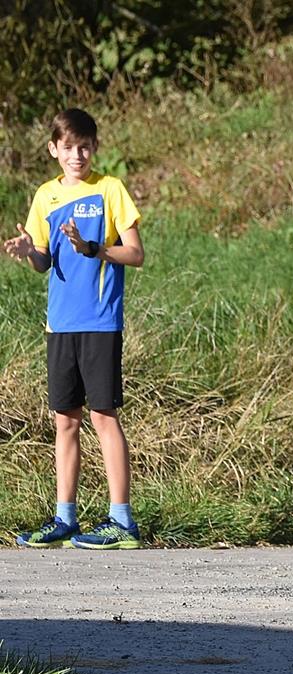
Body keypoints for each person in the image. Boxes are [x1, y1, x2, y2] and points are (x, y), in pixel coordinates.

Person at [4, 108, 145, 550]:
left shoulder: (110, 189)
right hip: (59, 324)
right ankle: (65, 518)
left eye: (84, 146)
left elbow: (136, 254)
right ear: (54, 150)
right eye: (69, 147)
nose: (77, 155)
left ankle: (121, 522)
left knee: (104, 417)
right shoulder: (45, 195)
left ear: (94, 147)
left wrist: (94, 249)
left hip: (100, 322)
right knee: (64, 420)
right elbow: (44, 260)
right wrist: (29, 249)